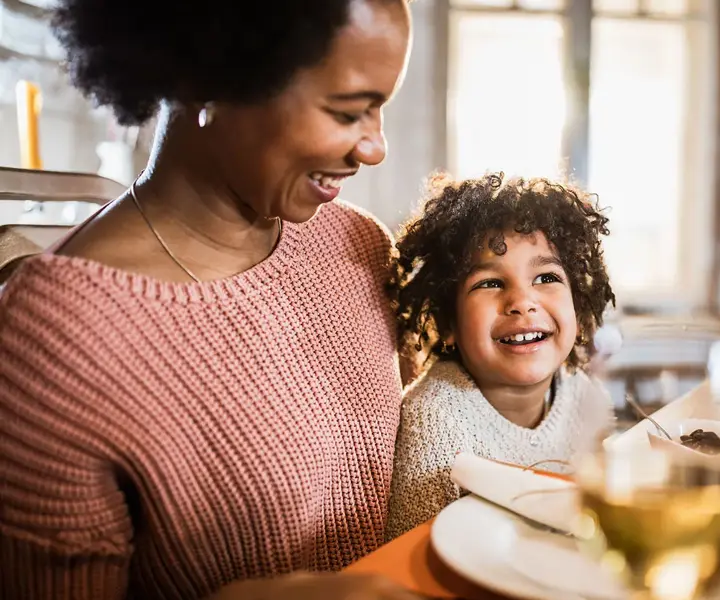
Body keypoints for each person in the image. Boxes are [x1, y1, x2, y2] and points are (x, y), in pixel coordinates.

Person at [0, 1, 421, 598]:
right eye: (349, 112)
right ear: (210, 79)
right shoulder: (60, 338)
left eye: (380, 111)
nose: (375, 148)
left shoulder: (357, 245)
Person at [385, 172, 616, 540]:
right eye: (490, 283)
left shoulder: (584, 394)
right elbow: (413, 558)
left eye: (546, 278)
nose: (522, 301)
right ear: (448, 322)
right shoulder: (435, 423)